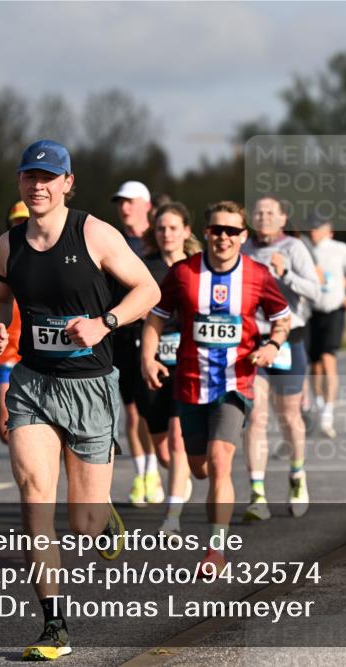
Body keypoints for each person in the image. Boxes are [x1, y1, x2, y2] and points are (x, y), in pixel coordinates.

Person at [0, 140, 160, 661]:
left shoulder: (94, 234)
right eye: (29, 176)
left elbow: (147, 290)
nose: (38, 185)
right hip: (32, 385)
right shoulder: (7, 245)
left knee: (82, 523)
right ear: (19, 182)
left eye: (48, 177)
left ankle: (104, 517)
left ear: (67, 183)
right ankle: (54, 624)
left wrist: (104, 321)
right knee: (34, 497)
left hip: (90, 385)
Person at [142, 200, 290, 577]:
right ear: (205, 233)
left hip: (235, 383)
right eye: (216, 230)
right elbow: (155, 319)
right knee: (201, 468)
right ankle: (202, 485)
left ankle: (216, 550)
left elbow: (282, 318)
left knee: (221, 462)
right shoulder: (183, 273)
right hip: (190, 383)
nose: (223, 237)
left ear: (243, 236)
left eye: (231, 231)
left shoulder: (257, 275)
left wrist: (272, 346)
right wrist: (148, 358)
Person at [242, 196, 321, 521]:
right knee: (255, 417)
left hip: (289, 338)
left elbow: (316, 291)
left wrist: (285, 272)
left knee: (289, 417)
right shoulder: (243, 248)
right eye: (258, 212)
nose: (263, 217)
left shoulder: (295, 248)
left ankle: (297, 475)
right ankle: (257, 493)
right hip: (251, 341)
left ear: (283, 217)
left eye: (270, 212)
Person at [135, 202, 202, 536]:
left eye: (173, 228)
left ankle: (172, 516)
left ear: (186, 232)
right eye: (161, 228)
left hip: (188, 361)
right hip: (150, 358)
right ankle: (178, 474)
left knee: (177, 439)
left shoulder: (198, 269)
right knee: (162, 447)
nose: (167, 234)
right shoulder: (142, 266)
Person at [110, 180, 164, 507]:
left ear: (146, 205)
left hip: (152, 335)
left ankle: (155, 469)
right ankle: (143, 474)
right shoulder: (112, 240)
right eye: (120, 202)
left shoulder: (156, 242)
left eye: (130, 201)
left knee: (149, 410)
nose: (124, 207)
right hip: (119, 333)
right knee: (130, 411)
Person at [306, 215, 346, 438]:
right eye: (311, 227)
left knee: (329, 360)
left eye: (318, 228)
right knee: (315, 366)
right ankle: (320, 404)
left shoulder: (340, 249)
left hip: (334, 309)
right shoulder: (302, 248)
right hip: (310, 312)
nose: (314, 232)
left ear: (329, 230)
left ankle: (327, 414)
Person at [0, 202, 29, 443]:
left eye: (25, 219)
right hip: (8, 350)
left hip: (39, 354)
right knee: (6, 428)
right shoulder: (5, 253)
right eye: (17, 220)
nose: (21, 224)